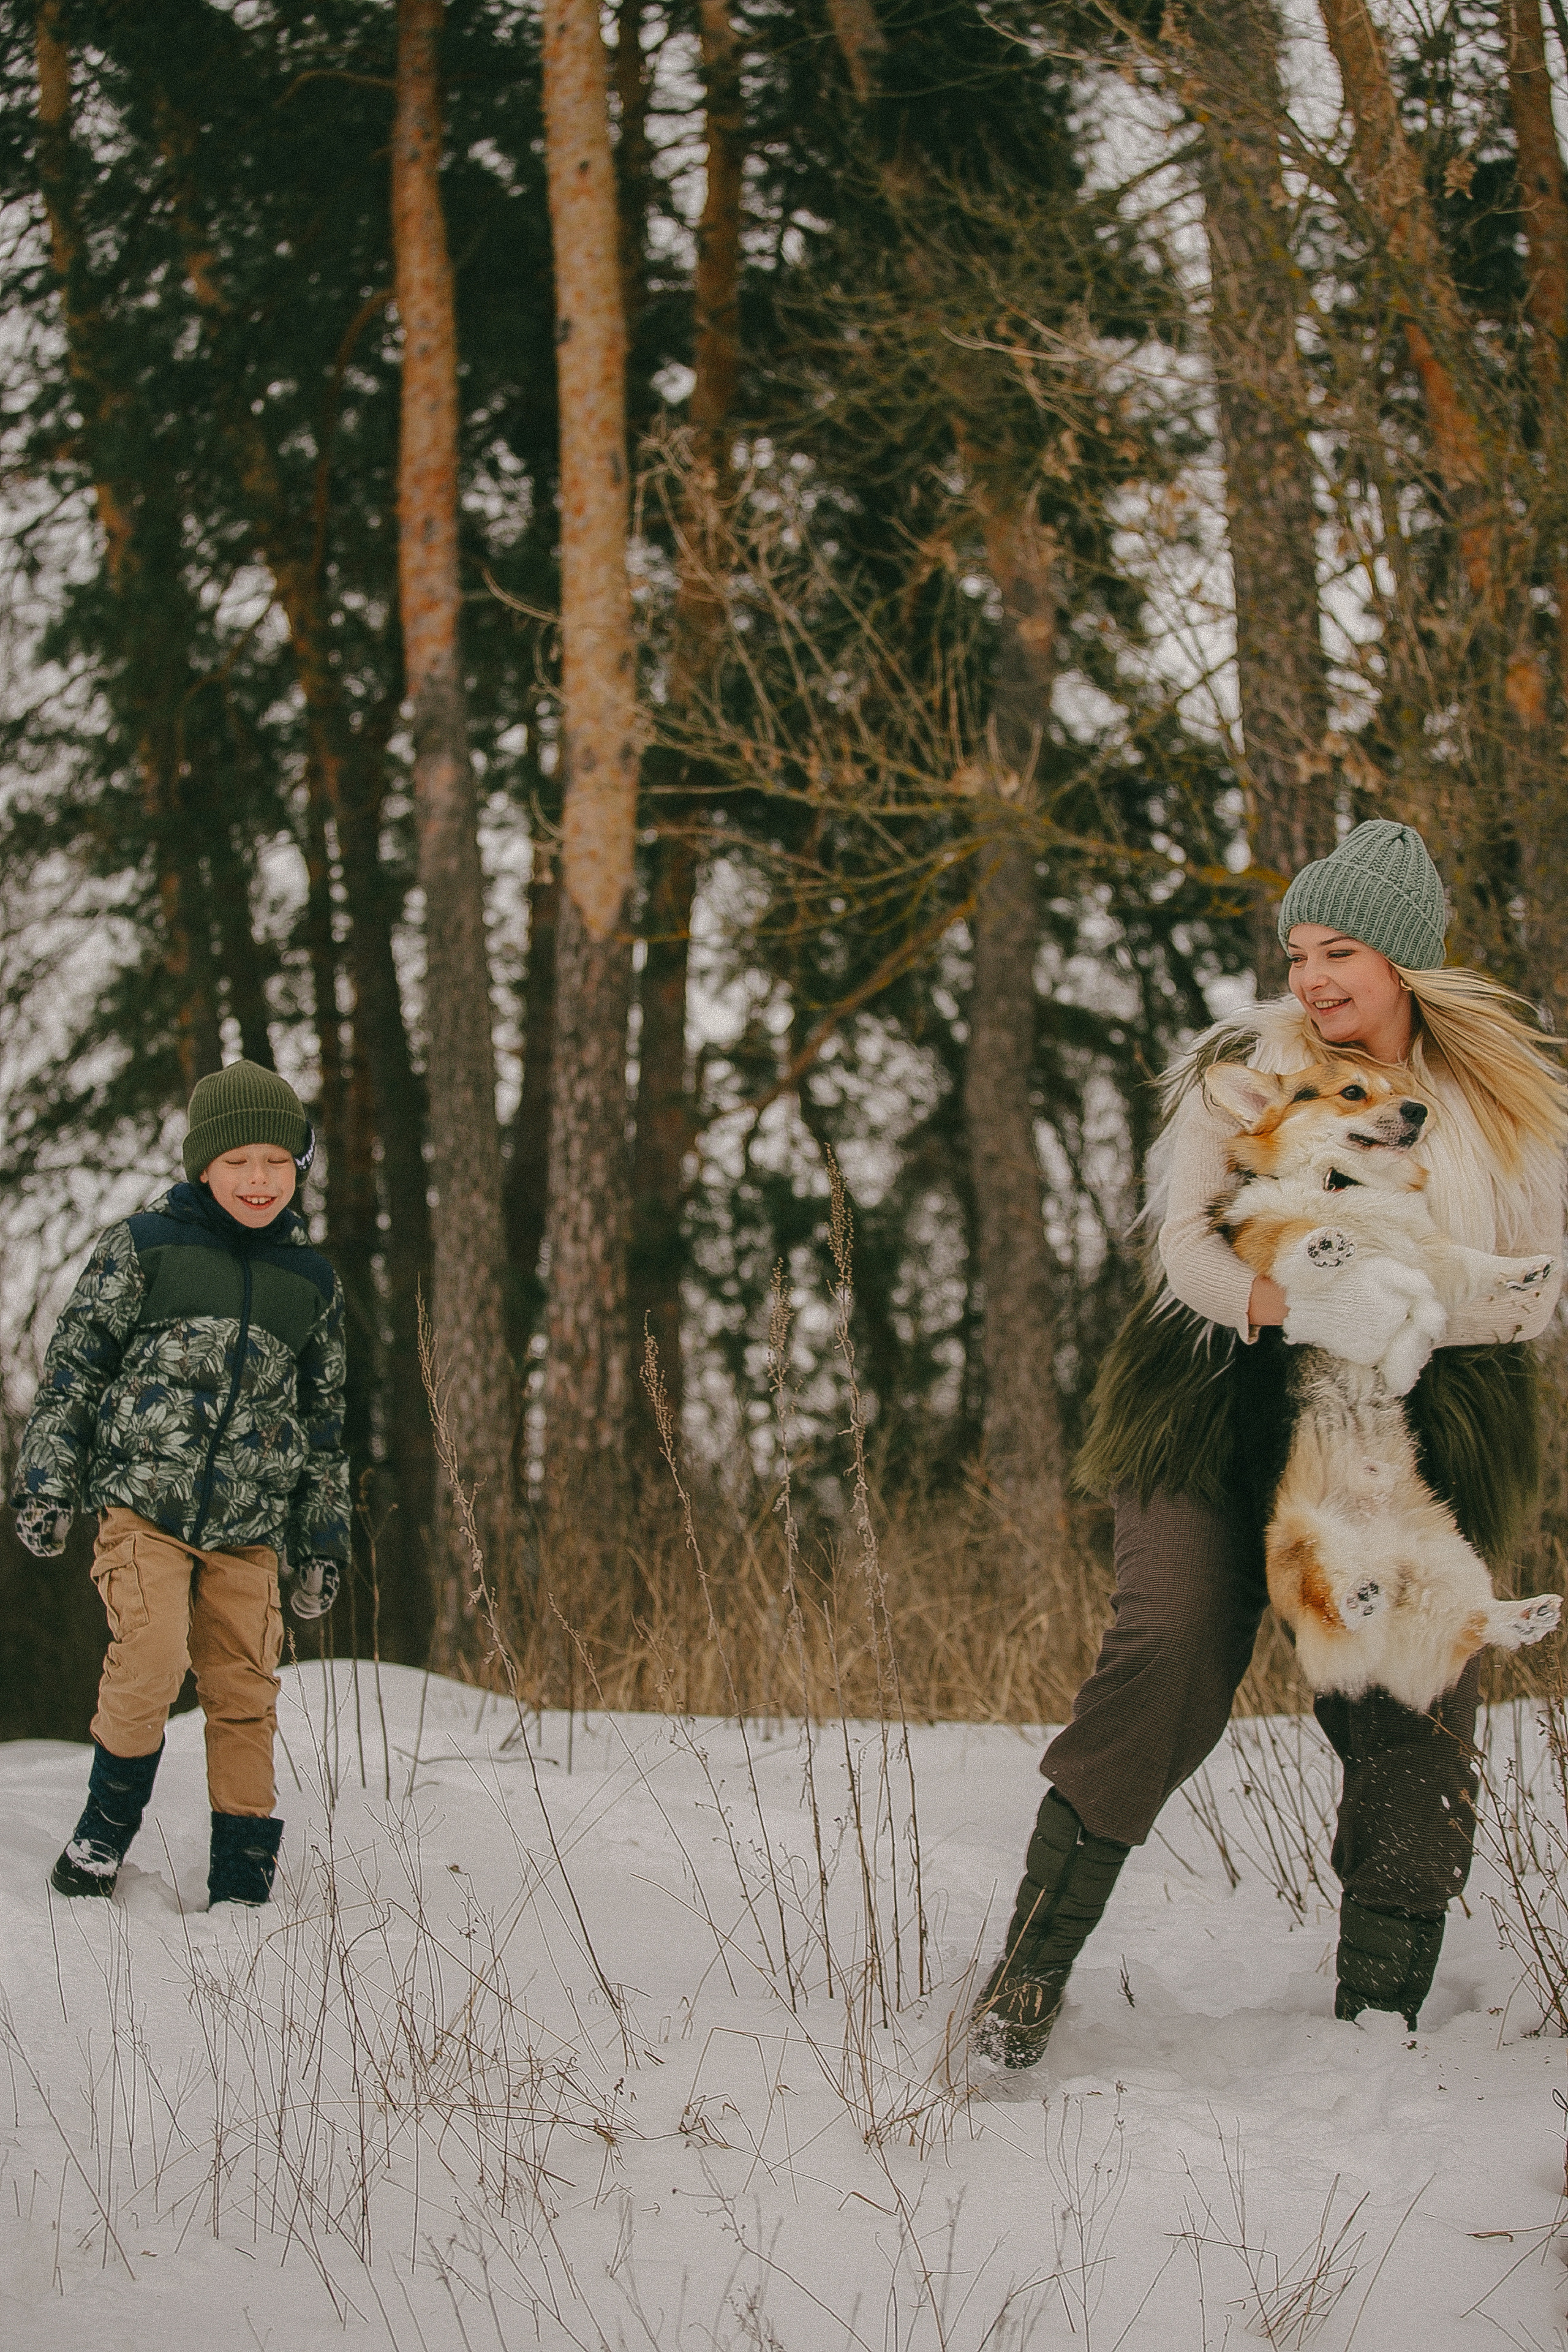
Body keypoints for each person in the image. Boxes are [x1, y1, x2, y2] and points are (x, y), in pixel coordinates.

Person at [971, 820, 1568, 2066]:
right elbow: (1188, 1252)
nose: (1308, 978)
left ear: (1403, 961)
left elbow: (1536, 1286)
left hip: (1409, 1430)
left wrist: (1413, 1305)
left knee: (1416, 1697)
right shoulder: (1246, 1068)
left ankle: (1377, 2021)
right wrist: (1301, 1303)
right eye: (1296, 951)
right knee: (1169, 1641)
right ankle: (1024, 1981)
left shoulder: (1504, 1109)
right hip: (1218, 1405)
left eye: (1336, 950)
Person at [9, 1060, 350, 1908]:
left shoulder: (310, 1284)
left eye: (277, 1162)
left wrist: (320, 1542)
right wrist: (48, 1480)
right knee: (152, 1659)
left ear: (298, 1168)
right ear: (203, 1165)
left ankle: (240, 1874)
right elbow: (76, 1371)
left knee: (244, 1691)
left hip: (250, 1528)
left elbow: (323, 1426)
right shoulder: (144, 1249)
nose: (259, 1179)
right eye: (239, 1162)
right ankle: (102, 1835)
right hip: (142, 1512)